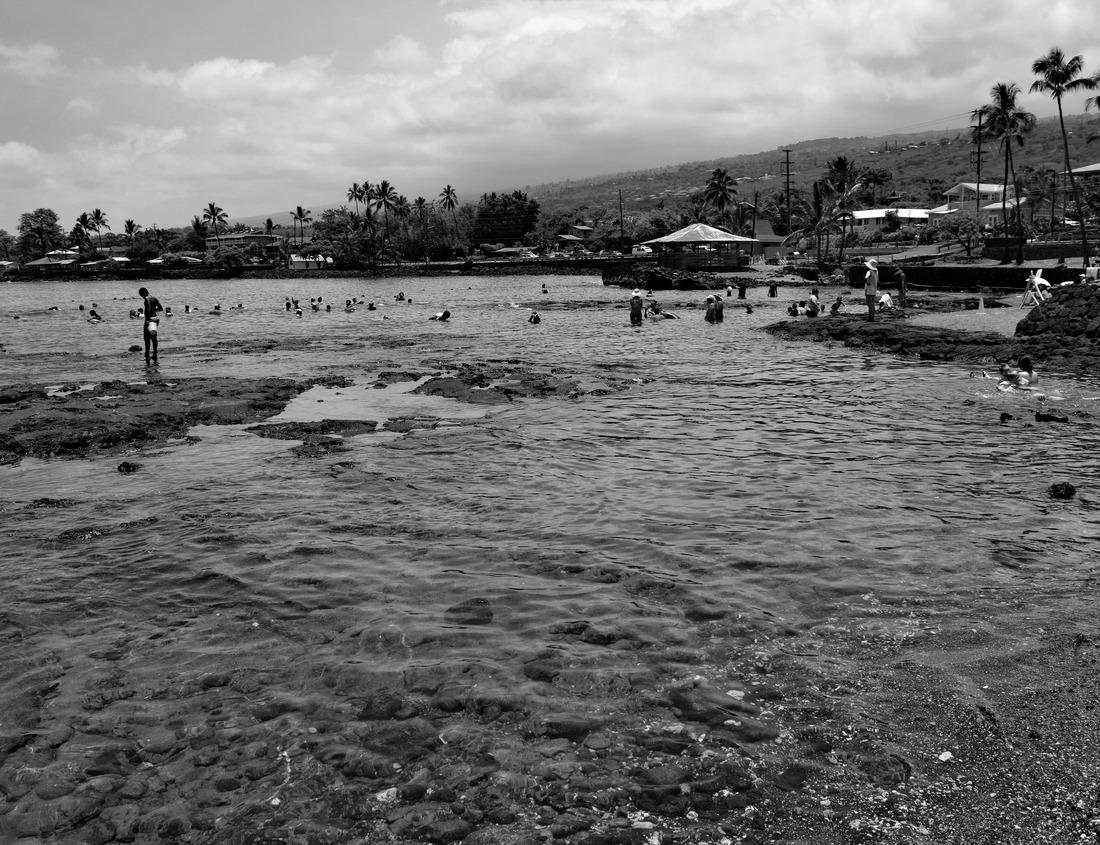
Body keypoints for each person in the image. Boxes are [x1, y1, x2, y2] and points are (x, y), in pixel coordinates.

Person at [138, 286, 163, 364]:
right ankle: (155, 354)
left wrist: (147, 320)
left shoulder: (147, 299)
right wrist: (153, 309)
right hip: (156, 319)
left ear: (142, 293)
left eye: (140, 295)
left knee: (147, 338)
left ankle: (147, 355)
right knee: (154, 337)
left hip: (150, 319)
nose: (141, 297)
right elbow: (161, 308)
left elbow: (148, 309)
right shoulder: (154, 298)